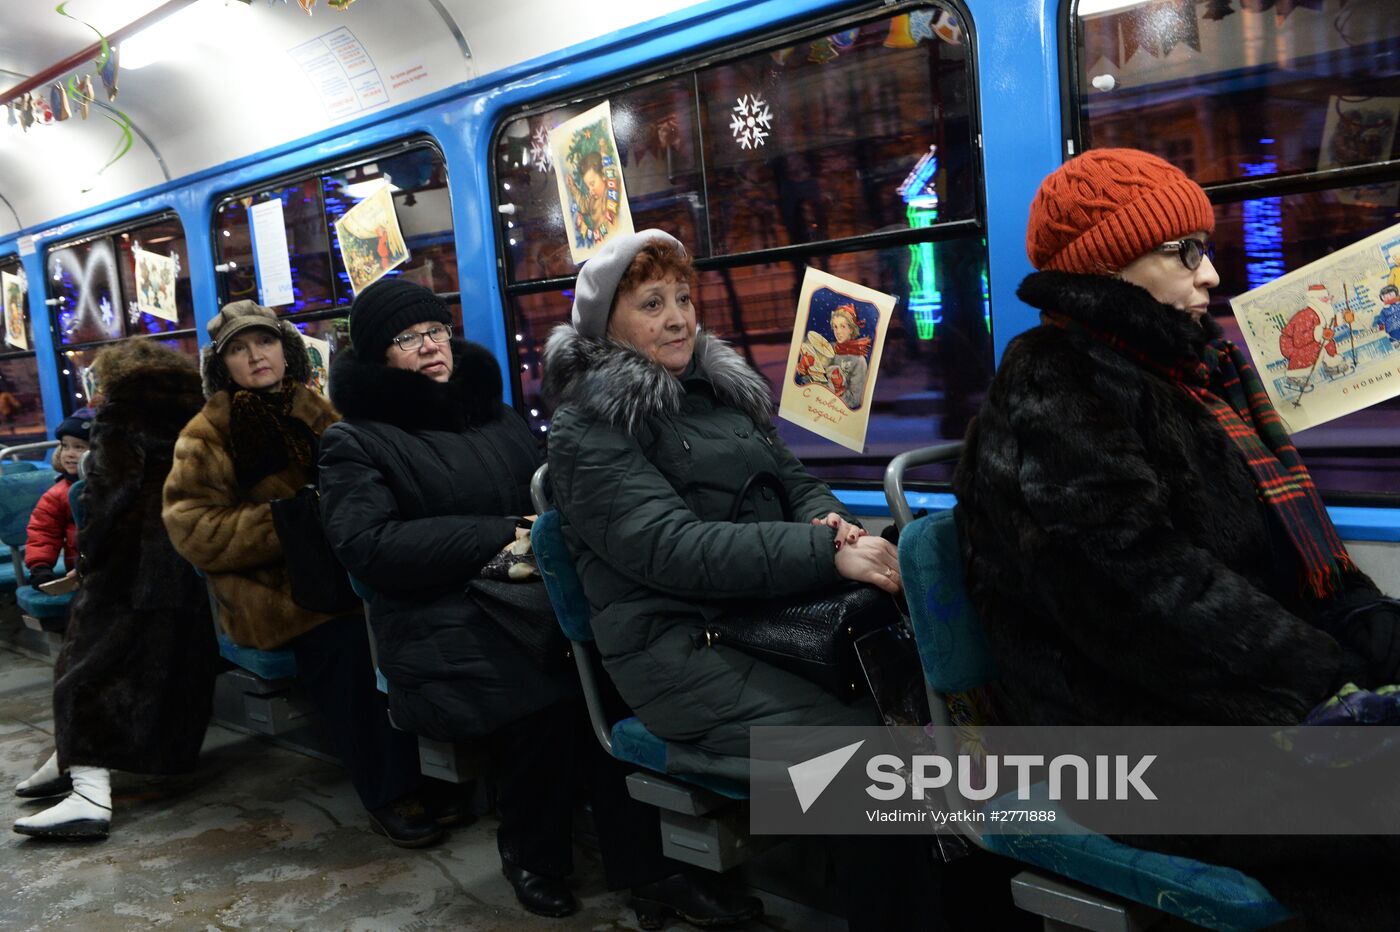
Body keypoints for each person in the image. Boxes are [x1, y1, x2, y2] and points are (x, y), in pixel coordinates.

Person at [951, 147, 1400, 929]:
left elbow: (1276, 550)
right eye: (1185, 252)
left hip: (1215, 694)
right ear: (1111, 267)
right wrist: (1324, 674)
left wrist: (1364, 624)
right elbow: (1134, 592)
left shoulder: (1191, 374)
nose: (1211, 275)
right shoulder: (1054, 387)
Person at [318, 277, 761, 926]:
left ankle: (651, 873)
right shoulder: (356, 441)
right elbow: (368, 545)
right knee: (547, 703)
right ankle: (533, 854)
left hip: (532, 599)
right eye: (409, 340)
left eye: (437, 332)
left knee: (628, 676)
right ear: (380, 356)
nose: (431, 348)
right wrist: (498, 532)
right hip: (442, 616)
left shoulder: (490, 414)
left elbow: (550, 491)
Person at [541, 229, 943, 932]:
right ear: (605, 326)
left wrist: (836, 527)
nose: (678, 317)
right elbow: (673, 550)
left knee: (929, 725)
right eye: (651, 303)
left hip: (769, 622)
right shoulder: (588, 429)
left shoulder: (716, 396)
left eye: (685, 298)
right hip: (681, 647)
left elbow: (795, 482)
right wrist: (823, 558)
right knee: (871, 767)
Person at [161, 301, 433, 848]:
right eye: (238, 349)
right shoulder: (207, 433)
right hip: (275, 596)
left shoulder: (316, 408)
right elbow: (190, 527)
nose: (255, 356)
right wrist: (285, 525)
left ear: (285, 351)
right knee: (350, 648)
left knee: (423, 622)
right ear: (224, 366)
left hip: (345, 571)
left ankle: (440, 772)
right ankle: (391, 792)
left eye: (263, 343)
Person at [14, 342, 218, 839]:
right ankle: (73, 757)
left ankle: (88, 794)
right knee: (160, 667)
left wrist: (86, 559)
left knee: (82, 669)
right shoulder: (199, 411)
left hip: (130, 561)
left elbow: (110, 490)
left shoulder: (122, 414)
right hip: (186, 560)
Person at [23, 407, 93, 589]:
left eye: (79, 447)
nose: (69, 453)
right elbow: (43, 532)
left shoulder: (116, 488)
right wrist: (40, 566)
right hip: (81, 573)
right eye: (65, 446)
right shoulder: (57, 494)